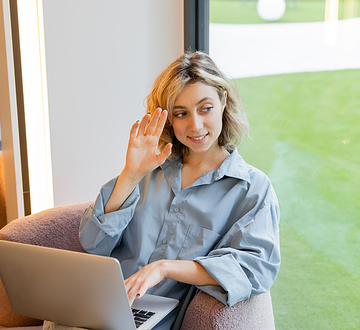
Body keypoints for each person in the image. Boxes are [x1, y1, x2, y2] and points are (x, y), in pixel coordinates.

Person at [79, 51, 280, 330]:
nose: (195, 125)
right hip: (96, 308)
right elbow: (92, 241)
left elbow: (254, 269)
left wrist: (163, 268)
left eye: (205, 108)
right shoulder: (149, 170)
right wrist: (130, 174)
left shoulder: (251, 190)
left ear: (223, 101)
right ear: (168, 120)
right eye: (181, 114)